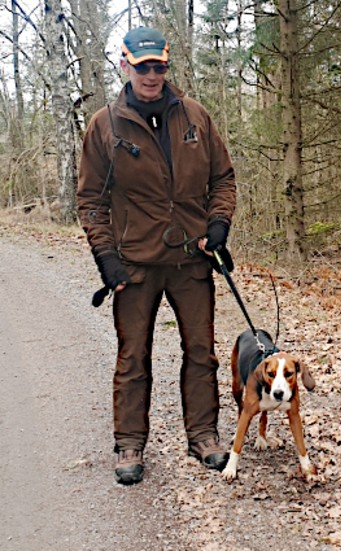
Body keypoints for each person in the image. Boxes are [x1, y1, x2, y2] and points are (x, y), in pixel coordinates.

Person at [77, 27, 237, 485]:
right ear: (125, 65)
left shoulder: (195, 117)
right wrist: (107, 258)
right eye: (142, 66)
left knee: (201, 352)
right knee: (133, 356)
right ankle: (130, 443)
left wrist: (218, 226)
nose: (151, 75)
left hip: (191, 258)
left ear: (168, 66)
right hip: (134, 264)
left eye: (159, 66)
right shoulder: (105, 125)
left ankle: (204, 434)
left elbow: (223, 179)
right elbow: (90, 200)